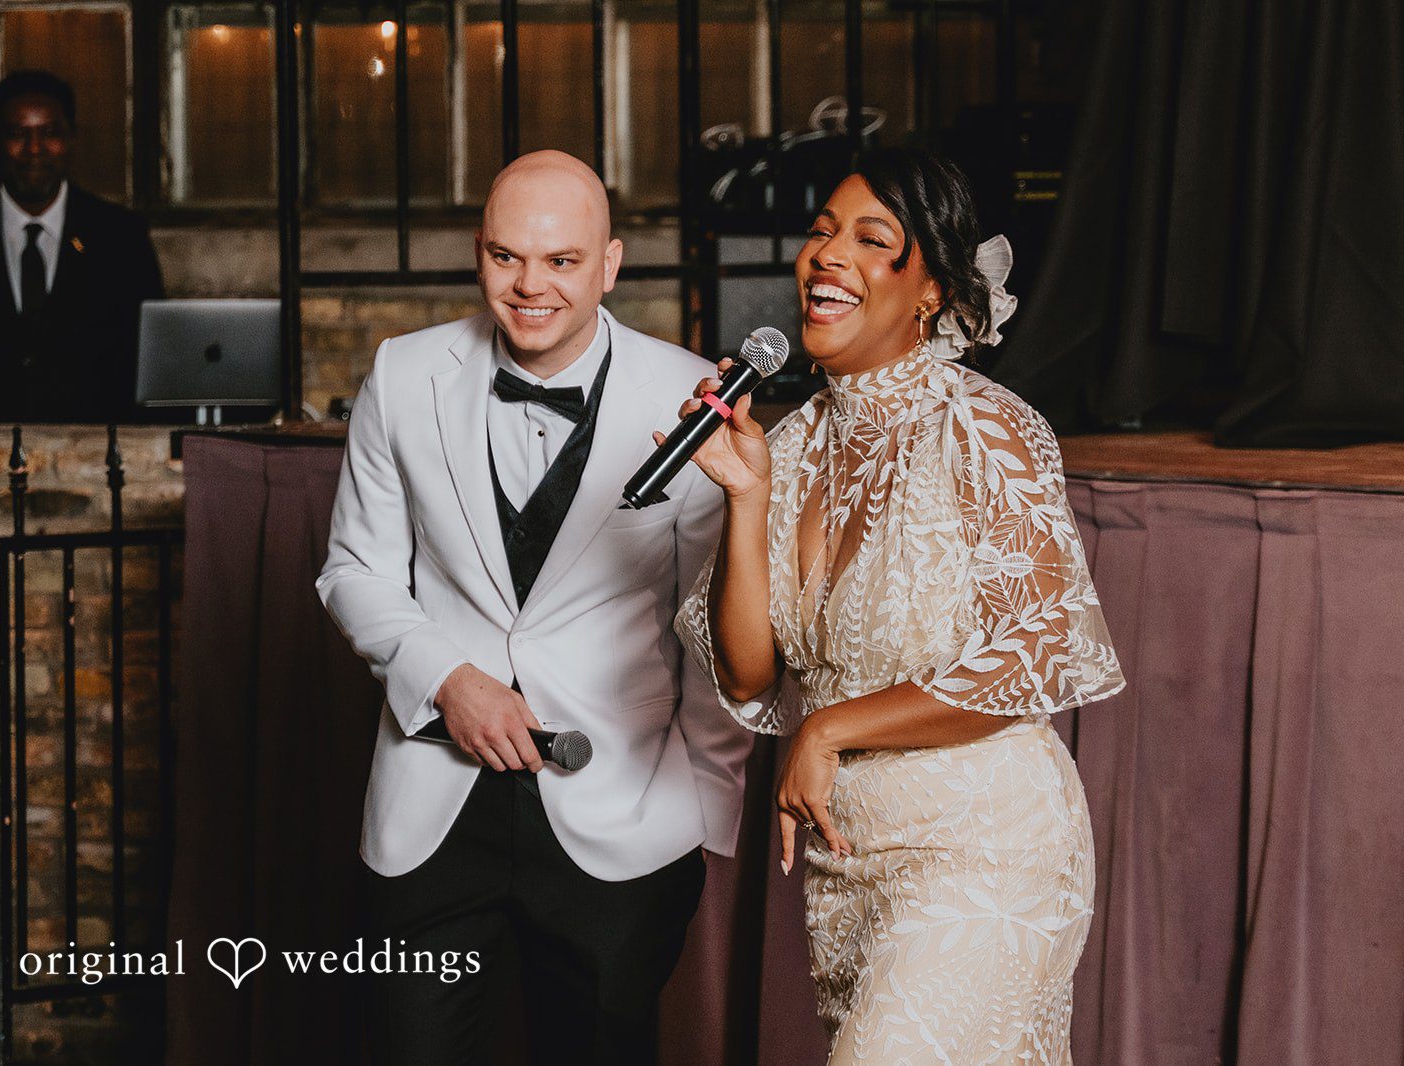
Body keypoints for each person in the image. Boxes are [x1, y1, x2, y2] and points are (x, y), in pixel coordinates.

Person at [674, 148, 1125, 1064]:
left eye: (872, 240)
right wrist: (747, 497)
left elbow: (1039, 653)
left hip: (987, 849)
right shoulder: (791, 444)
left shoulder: (984, 426)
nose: (829, 255)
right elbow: (751, 677)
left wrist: (830, 728)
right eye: (821, 232)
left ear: (930, 292)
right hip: (848, 864)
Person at [316, 150, 753, 1065]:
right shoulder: (402, 372)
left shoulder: (692, 399)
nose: (529, 286)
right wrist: (446, 678)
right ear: (479, 252)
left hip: (623, 814)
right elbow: (355, 570)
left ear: (610, 264)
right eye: (506, 256)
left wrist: (705, 811)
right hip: (431, 813)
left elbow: (712, 625)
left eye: (561, 260)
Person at [0, 69, 166, 424]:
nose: (34, 149)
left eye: (50, 133)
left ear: (71, 140)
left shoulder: (120, 237)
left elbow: (148, 360)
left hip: (90, 446)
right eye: (17, 134)